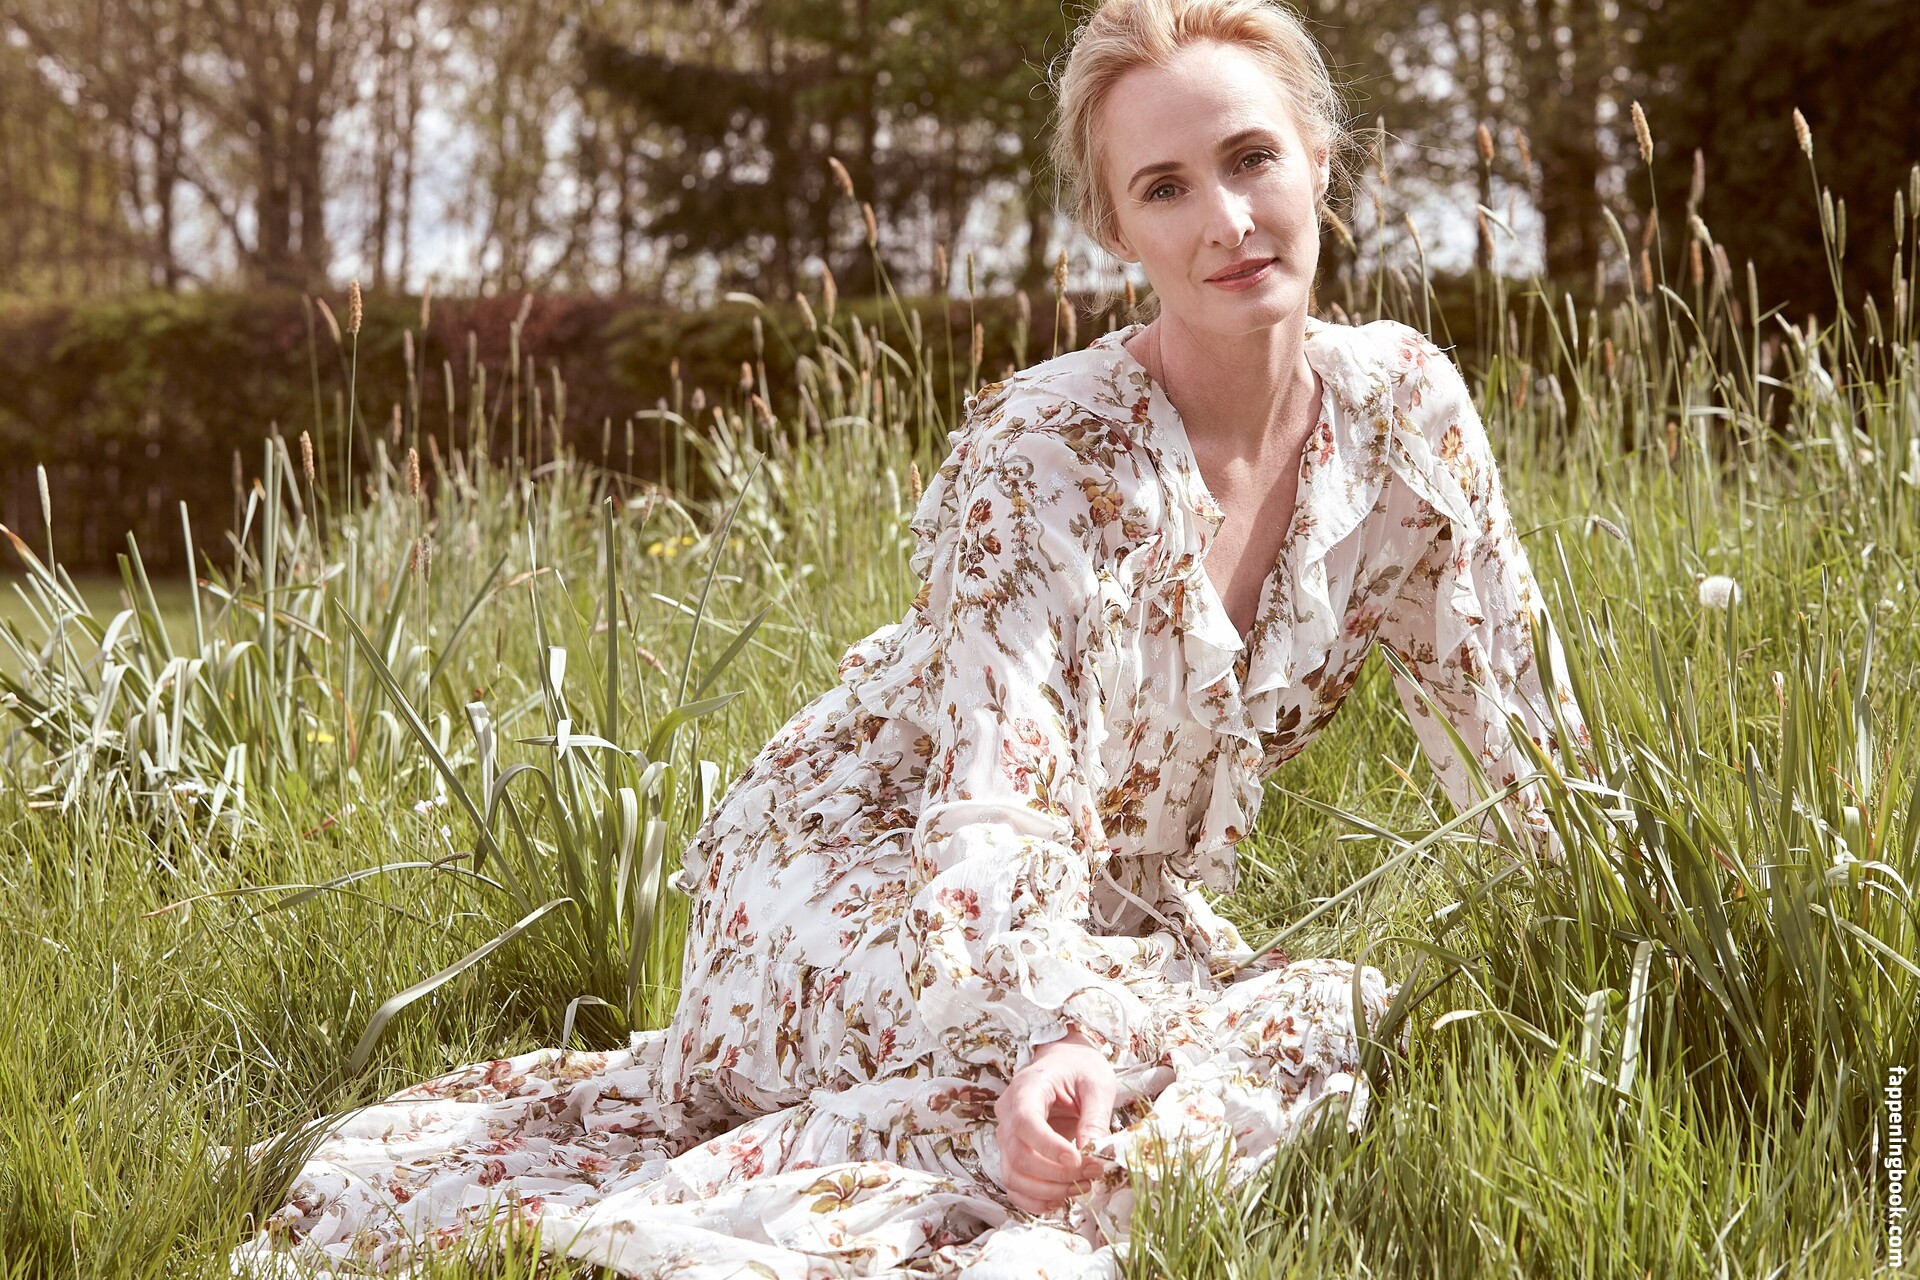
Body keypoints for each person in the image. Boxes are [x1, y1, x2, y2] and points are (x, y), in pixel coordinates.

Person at [231, 0, 1592, 1276]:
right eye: (1166, 187)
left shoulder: (1406, 412)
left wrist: (1601, 930)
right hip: (850, 872)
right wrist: (1047, 1030)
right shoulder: (1047, 448)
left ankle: (1046, 1070)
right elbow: (994, 799)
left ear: (1320, 162)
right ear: (1117, 230)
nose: (1228, 220)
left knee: (1337, 1015)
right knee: (1122, 1077)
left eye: (1251, 159)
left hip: (1094, 909)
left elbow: (1513, 722)